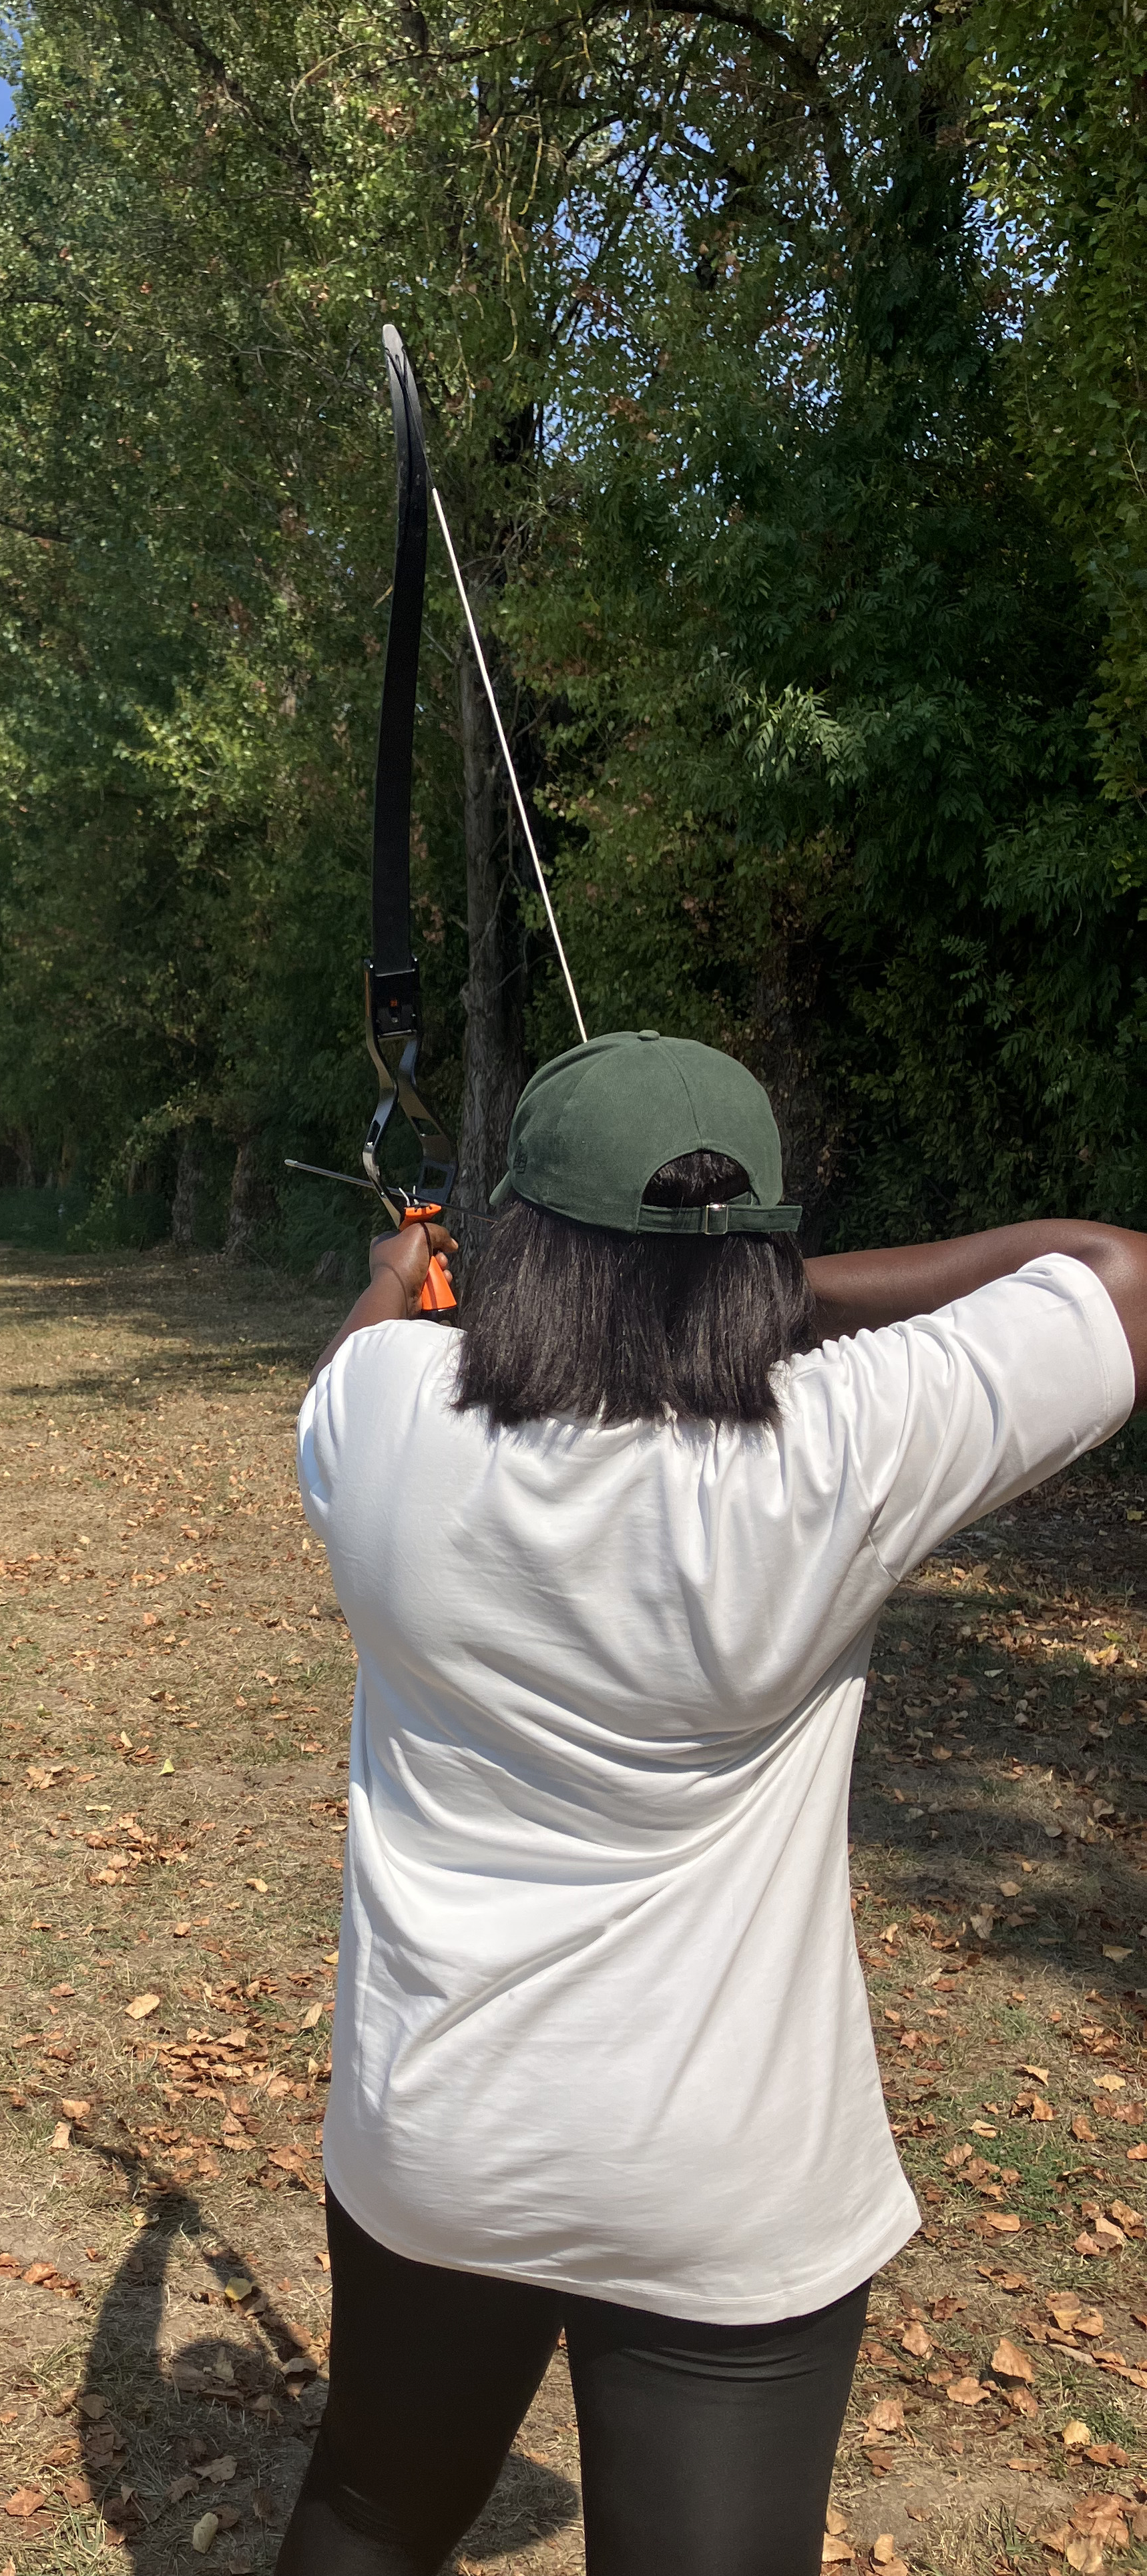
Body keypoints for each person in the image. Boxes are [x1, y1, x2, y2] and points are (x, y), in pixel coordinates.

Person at [280, 1029, 1147, 2576]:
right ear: (763, 1249)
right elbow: (1112, 1271)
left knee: (369, 2506)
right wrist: (744, 1294)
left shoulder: (388, 1413)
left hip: (440, 2139)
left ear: (523, 1247)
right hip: (728, 2178)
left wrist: (417, 1267)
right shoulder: (841, 1442)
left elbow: (372, 1334)